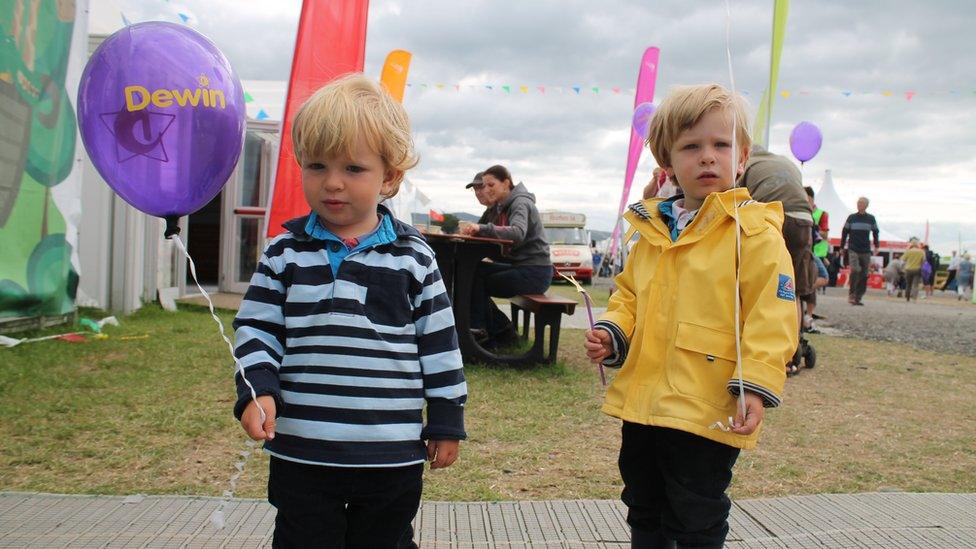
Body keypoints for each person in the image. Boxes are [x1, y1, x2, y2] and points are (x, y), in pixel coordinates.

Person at [232, 74, 467, 549]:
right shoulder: (283, 253)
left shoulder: (414, 257)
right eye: (317, 165)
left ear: (390, 177)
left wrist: (445, 418)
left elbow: (440, 345)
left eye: (354, 169)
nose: (333, 183)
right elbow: (256, 329)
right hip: (302, 450)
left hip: (390, 454)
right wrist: (257, 390)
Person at [583, 84, 797, 548]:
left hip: (708, 402)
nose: (707, 157)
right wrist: (614, 331)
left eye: (721, 145)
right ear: (667, 163)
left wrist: (755, 384)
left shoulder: (754, 233)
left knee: (696, 510)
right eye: (691, 146)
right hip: (644, 401)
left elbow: (772, 314)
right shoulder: (650, 230)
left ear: (741, 157)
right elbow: (629, 295)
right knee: (642, 499)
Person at [460, 165, 553, 348]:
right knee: (472, 272)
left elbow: (518, 233)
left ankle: (483, 332)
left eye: (490, 185)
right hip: (521, 267)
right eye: (483, 186)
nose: (486, 190)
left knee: (473, 280)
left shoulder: (520, 203)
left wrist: (482, 229)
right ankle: (499, 330)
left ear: (506, 183)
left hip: (535, 272)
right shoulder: (501, 207)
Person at [840, 197, 880, 306]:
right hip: (853, 248)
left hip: (866, 249)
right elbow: (844, 232)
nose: (859, 205)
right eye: (858, 203)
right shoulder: (851, 218)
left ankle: (858, 297)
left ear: (866, 205)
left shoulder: (871, 219)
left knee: (864, 274)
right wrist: (841, 247)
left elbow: (876, 232)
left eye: (862, 203)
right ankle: (851, 294)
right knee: (855, 269)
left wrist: (877, 245)